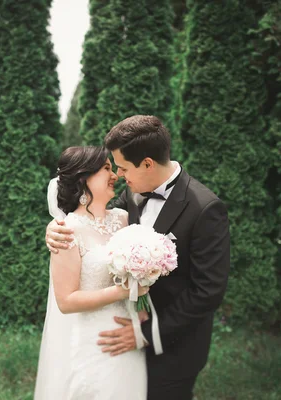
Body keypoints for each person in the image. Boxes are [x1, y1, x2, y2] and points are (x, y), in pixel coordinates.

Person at [45, 115, 230, 400]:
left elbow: (208, 291)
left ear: (147, 164)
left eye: (122, 167)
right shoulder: (131, 196)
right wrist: (54, 229)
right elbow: (93, 221)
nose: (118, 176)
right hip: (116, 338)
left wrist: (145, 333)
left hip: (172, 345)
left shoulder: (205, 208)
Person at [34, 146, 149, 400]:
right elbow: (66, 301)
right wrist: (122, 291)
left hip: (127, 335)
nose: (115, 175)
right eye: (107, 168)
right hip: (92, 342)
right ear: (84, 179)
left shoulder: (123, 219)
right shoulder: (67, 230)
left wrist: (141, 309)